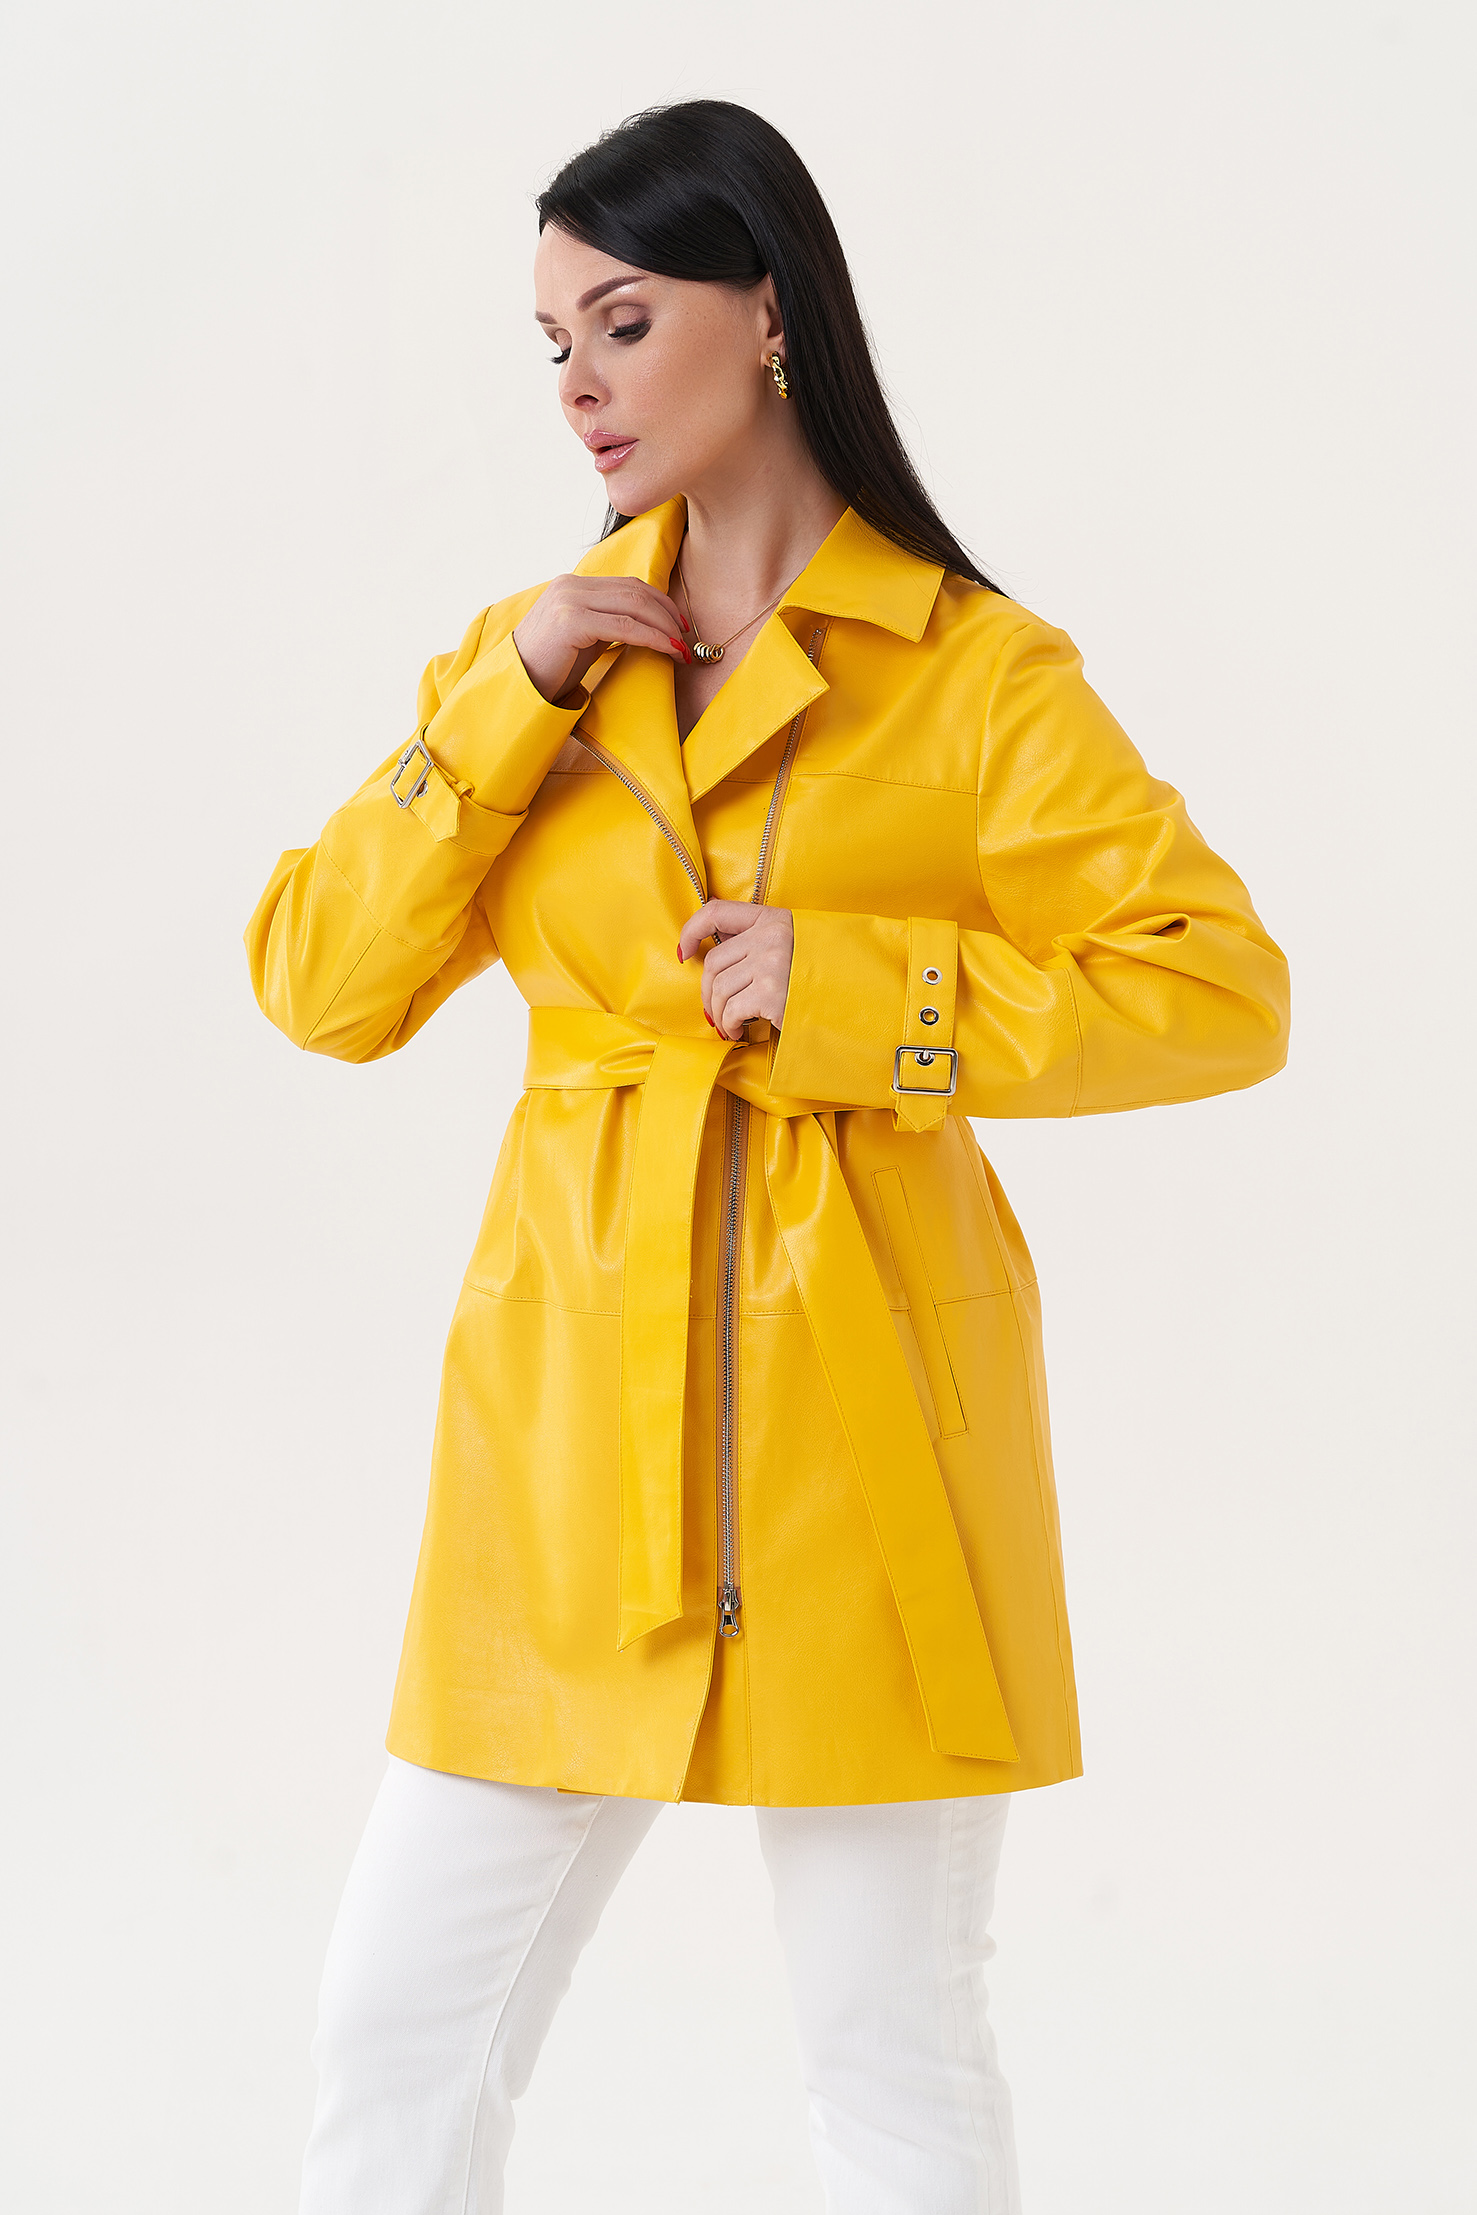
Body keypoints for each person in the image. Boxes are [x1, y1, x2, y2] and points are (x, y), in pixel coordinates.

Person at [246, 97, 1289, 2215]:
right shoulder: (534, 663)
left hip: (862, 1445)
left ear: (772, 311)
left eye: (623, 323)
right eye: (552, 343)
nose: (579, 384)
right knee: (395, 2020)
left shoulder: (977, 677)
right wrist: (506, 702)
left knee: (888, 2049)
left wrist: (870, 992)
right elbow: (320, 985)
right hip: (567, 1439)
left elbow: (1218, 987)